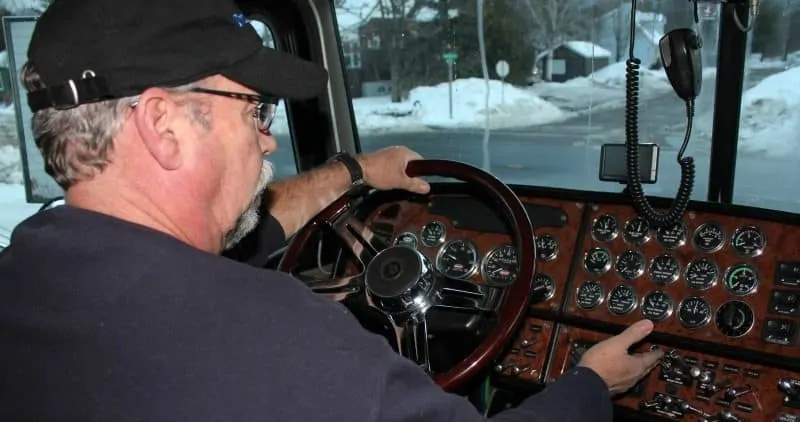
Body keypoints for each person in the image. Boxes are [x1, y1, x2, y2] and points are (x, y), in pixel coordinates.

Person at [0, 0, 664, 420]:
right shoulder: (281, 338)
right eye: (255, 110)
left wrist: (357, 173)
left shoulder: (25, 274)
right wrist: (590, 386)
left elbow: (245, 237)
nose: (267, 137)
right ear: (164, 126)